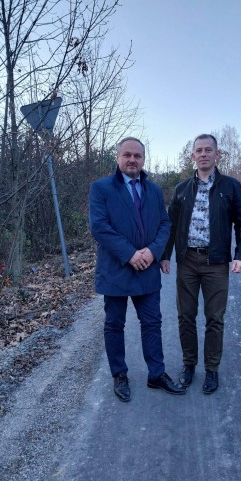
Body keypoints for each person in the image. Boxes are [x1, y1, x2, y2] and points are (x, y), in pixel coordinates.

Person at [89, 137, 186, 402]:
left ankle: (156, 374)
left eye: (137, 156)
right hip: (116, 269)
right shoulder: (101, 188)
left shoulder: (154, 190)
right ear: (118, 157)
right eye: (127, 155)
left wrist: (153, 252)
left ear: (143, 159)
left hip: (147, 269)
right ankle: (119, 375)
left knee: (152, 323)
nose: (132, 160)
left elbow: (165, 224)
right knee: (114, 325)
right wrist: (130, 254)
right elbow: (99, 227)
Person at [161, 134, 241, 394]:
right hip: (187, 261)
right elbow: (170, 225)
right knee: (185, 317)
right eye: (199, 150)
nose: (203, 154)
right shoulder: (181, 189)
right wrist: (165, 255)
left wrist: (240, 255)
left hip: (217, 263)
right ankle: (189, 365)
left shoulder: (231, 186)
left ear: (217, 154)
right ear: (193, 156)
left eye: (208, 150)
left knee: (215, 318)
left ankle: (212, 369)